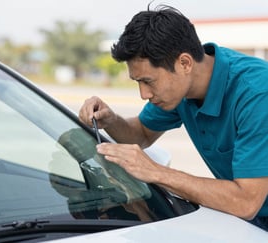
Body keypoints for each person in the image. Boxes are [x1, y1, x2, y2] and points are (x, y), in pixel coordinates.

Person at [78, 4, 268, 231]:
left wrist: (155, 172)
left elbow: (245, 202)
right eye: (137, 82)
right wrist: (110, 120)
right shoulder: (181, 89)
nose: (143, 94)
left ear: (185, 63)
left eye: (148, 81)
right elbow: (142, 134)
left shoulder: (257, 94)